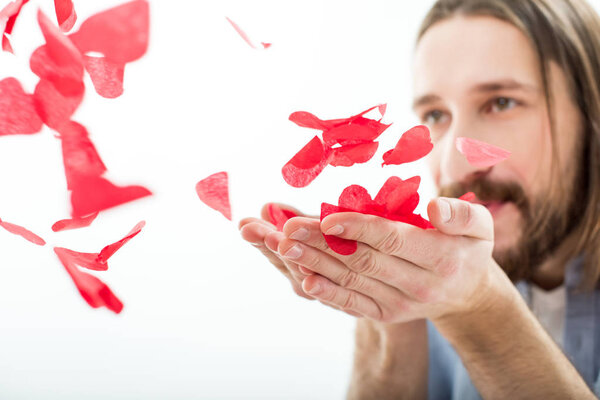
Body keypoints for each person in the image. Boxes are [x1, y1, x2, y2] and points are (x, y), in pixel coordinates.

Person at [239, 0, 600, 398]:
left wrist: (480, 309)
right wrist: (389, 307)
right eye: (435, 114)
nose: (455, 163)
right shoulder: (440, 286)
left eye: (502, 103)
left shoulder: (460, 293)